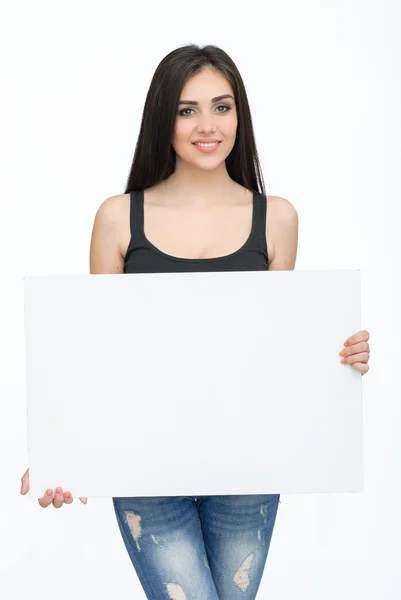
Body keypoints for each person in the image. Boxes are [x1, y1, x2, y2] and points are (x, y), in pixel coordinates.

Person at [20, 44, 371, 600]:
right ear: (164, 118)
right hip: (147, 471)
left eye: (221, 107)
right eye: (187, 110)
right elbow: (97, 355)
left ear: (240, 116)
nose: (207, 125)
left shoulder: (276, 218)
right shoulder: (118, 218)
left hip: (250, 470)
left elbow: (274, 355)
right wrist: (61, 451)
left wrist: (339, 360)